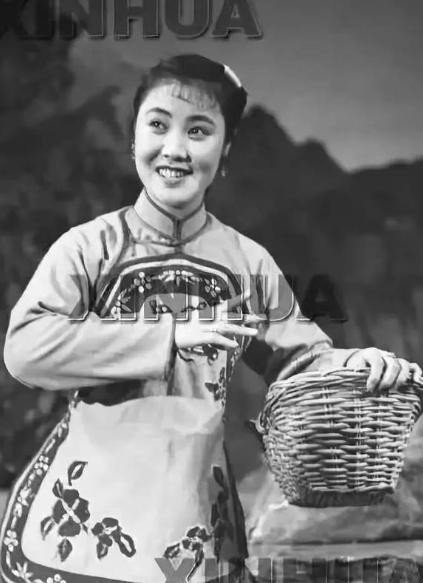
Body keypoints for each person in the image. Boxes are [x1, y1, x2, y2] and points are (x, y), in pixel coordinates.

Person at [0, 54, 420, 583]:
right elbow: (25, 348)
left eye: (198, 131)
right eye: (158, 125)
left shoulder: (246, 261)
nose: (174, 148)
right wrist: (168, 336)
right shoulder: (89, 248)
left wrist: (358, 366)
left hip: (193, 521)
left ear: (224, 151)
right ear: (133, 138)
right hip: (81, 523)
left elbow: (302, 359)